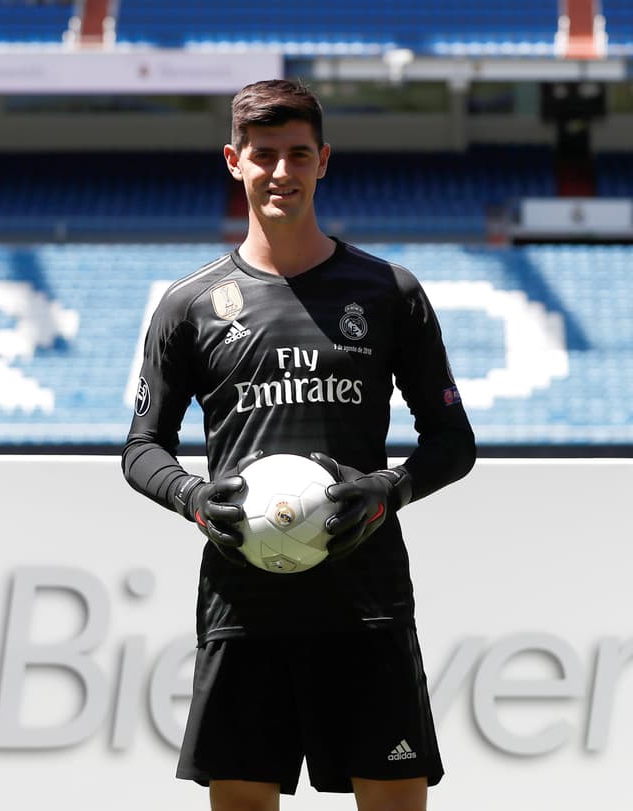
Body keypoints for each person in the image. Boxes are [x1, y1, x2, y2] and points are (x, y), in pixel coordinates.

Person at [121, 79, 475, 811]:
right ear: (233, 160)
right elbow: (142, 447)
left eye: (298, 155)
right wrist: (191, 496)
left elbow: (453, 441)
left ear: (324, 162)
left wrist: (389, 489)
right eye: (264, 155)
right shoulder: (189, 306)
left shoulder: (387, 292)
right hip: (245, 603)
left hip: (366, 599)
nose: (281, 172)